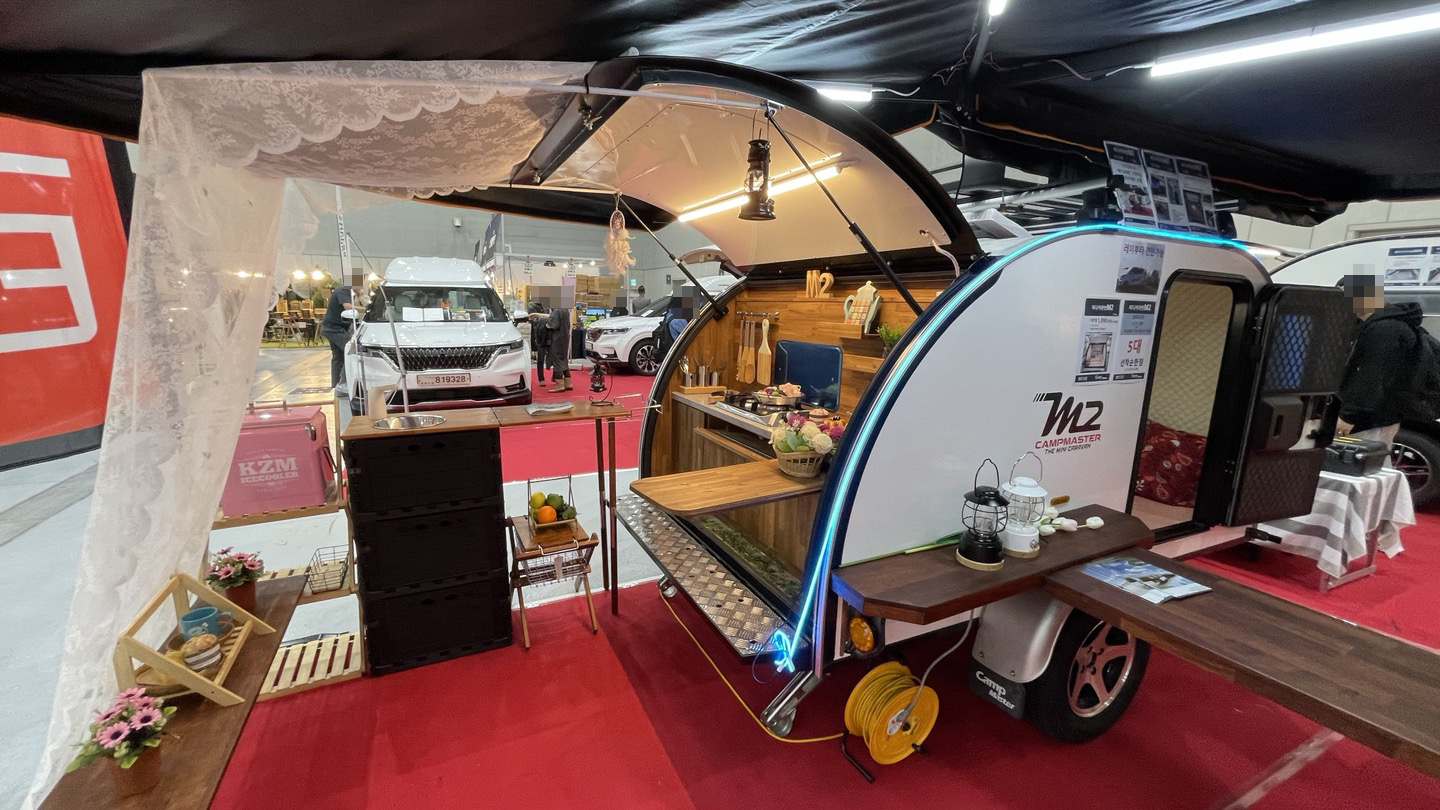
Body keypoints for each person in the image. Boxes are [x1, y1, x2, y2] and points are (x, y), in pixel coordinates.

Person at [1336, 275, 1423, 446]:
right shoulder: (1376, 324)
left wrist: (1349, 416)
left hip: (1371, 419)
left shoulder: (1385, 330)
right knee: (1374, 458)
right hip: (1376, 417)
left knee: (1362, 459)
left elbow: (1372, 376)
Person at [319, 284, 355, 388]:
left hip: (335, 328)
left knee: (338, 356)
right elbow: (348, 307)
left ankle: (337, 385)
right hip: (335, 329)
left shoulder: (348, 292)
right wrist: (365, 309)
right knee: (351, 351)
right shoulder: (343, 290)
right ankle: (344, 383)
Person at [528, 301, 549, 385]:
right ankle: (541, 378)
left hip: (551, 334)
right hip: (540, 335)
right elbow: (533, 320)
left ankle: (556, 377)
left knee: (555, 357)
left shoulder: (551, 306)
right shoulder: (532, 306)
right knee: (540, 358)